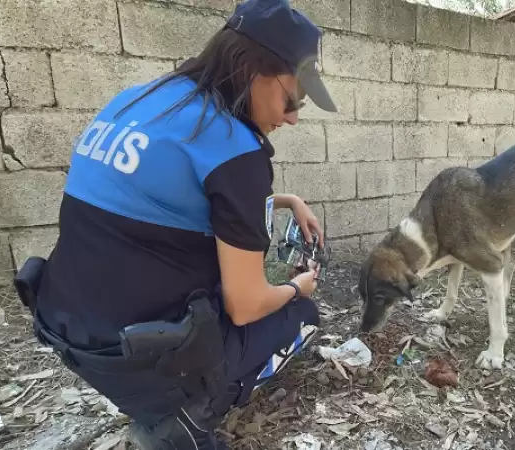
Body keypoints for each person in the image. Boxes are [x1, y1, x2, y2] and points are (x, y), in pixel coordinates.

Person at [21, 0, 338, 448]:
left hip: (65, 330)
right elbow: (245, 304)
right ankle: (186, 417)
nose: (293, 117)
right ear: (255, 71)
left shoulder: (135, 101)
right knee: (301, 317)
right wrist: (298, 288)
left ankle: (151, 398)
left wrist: (286, 200)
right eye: (293, 98)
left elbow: (163, 198)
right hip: (140, 358)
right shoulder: (236, 147)